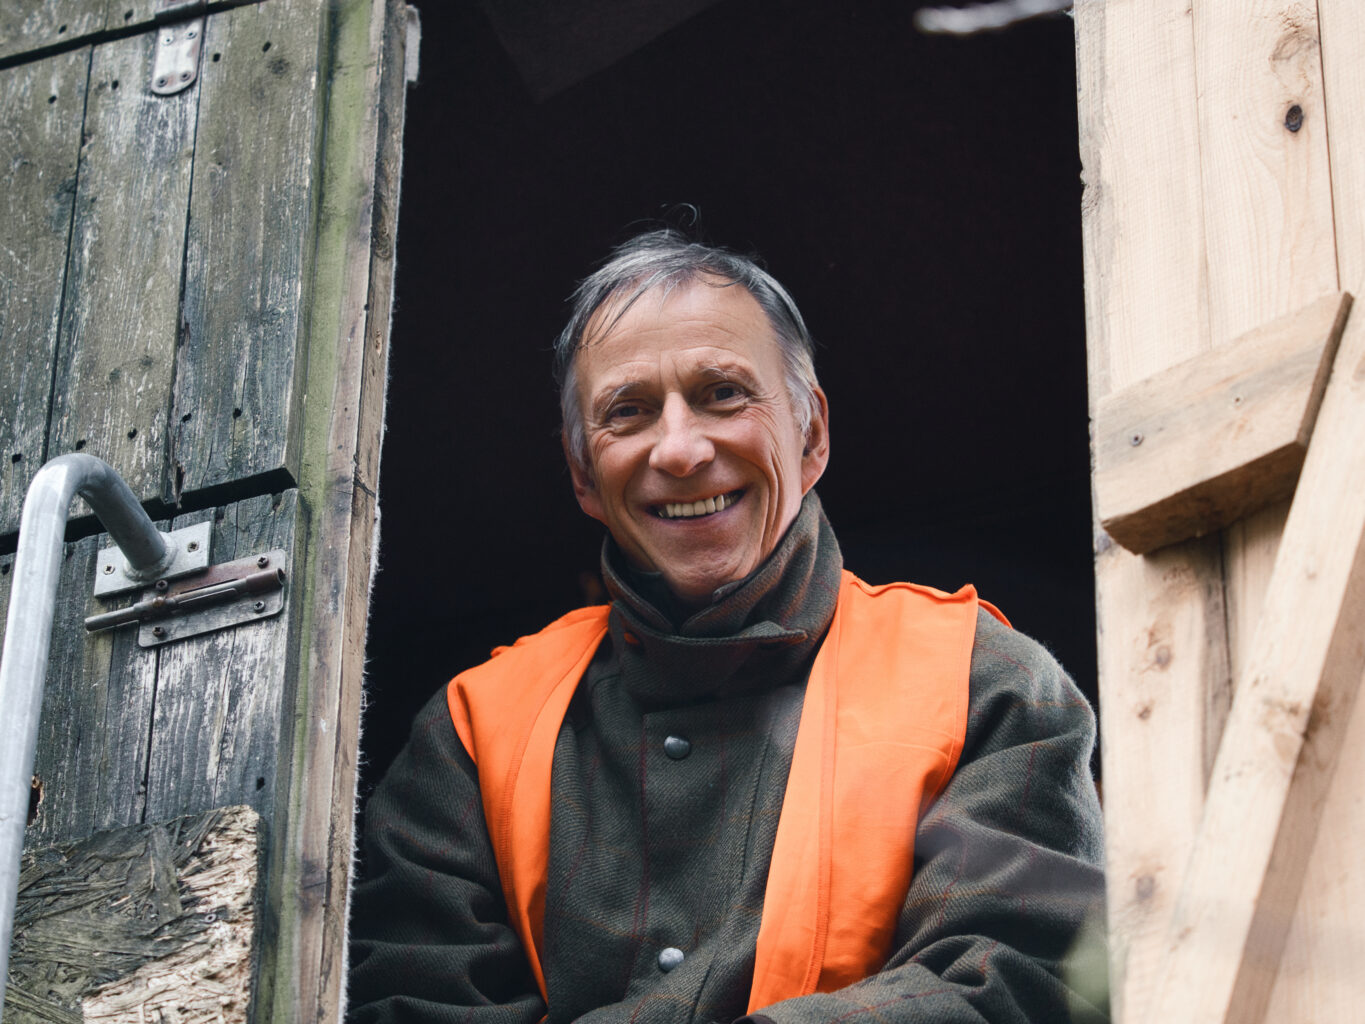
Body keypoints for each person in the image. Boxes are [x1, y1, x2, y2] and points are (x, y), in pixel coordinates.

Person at [347, 229, 1107, 1023]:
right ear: (582, 474)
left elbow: (1023, 978)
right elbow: (405, 1001)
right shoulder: (473, 733)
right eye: (628, 412)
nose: (679, 451)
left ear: (810, 433)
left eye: (722, 394)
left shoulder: (981, 682)